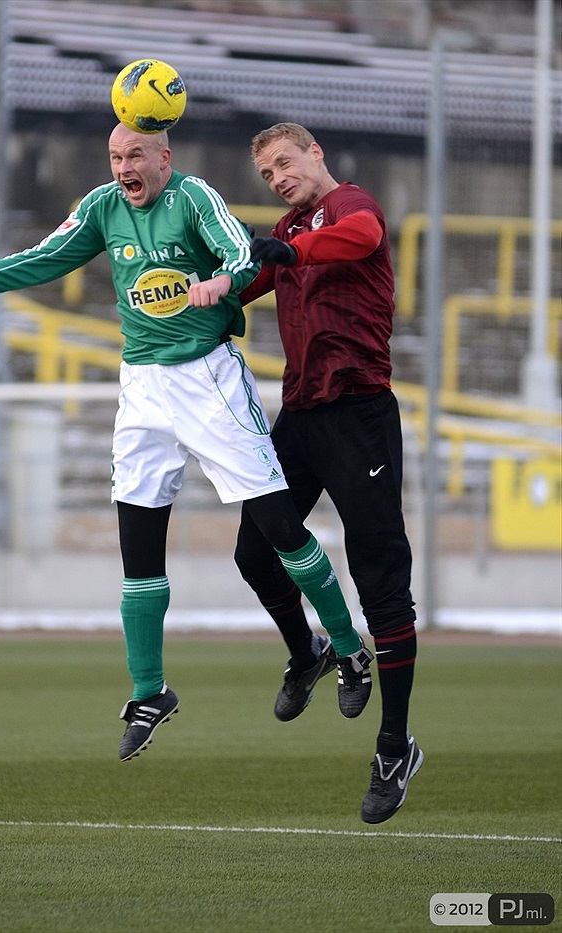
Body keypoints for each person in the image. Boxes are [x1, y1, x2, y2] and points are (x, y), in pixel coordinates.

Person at [0, 122, 373, 764]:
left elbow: (244, 252)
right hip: (142, 388)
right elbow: (45, 257)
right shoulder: (104, 206)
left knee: (278, 526)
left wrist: (222, 281)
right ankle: (148, 691)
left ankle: (347, 647)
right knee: (137, 546)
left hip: (209, 378)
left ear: (165, 157)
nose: (123, 166)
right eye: (115, 156)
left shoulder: (193, 197)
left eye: (135, 154)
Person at [235, 122, 422, 824]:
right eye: (268, 175)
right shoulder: (288, 229)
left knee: (380, 579)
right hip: (303, 416)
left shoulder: (348, 205)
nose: (279, 178)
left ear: (316, 154)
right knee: (254, 550)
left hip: (359, 413)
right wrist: (190, 297)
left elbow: (366, 237)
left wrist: (287, 248)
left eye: (285, 163)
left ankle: (394, 745)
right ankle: (310, 649)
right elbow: (245, 283)